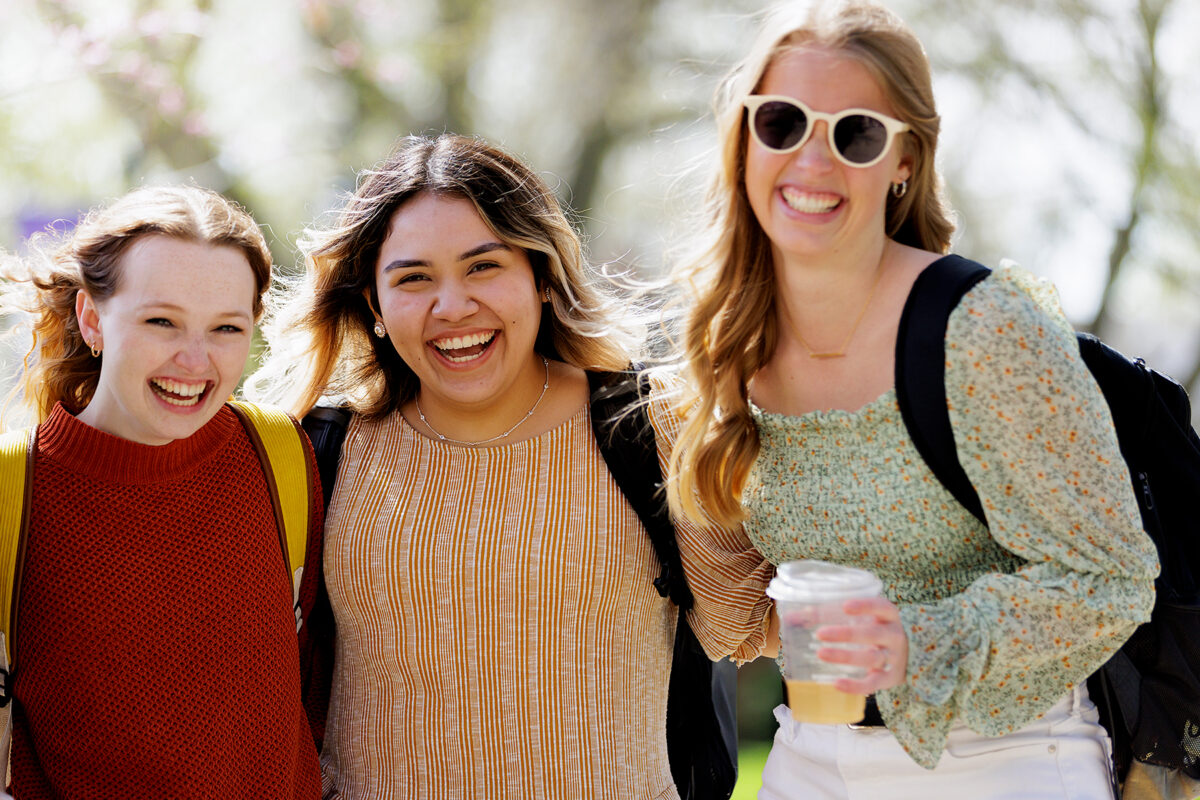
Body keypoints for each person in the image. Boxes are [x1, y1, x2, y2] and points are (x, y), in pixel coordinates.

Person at [663, 1, 1159, 798]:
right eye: (782, 122)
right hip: (807, 759)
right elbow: (736, 619)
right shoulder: (727, 347)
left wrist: (914, 644)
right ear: (744, 137)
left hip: (1006, 761)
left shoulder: (985, 330)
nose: (811, 161)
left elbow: (1112, 580)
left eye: (854, 133)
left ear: (905, 159)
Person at [247, 133, 774, 798]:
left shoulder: (652, 427)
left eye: (484, 266)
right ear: (375, 306)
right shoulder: (317, 451)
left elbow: (746, 618)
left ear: (542, 276)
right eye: (413, 278)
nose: (453, 306)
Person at [0, 185, 324, 798]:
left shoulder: (279, 455)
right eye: (160, 321)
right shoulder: (14, 497)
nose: (194, 360)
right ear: (91, 319)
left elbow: (309, 693)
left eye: (226, 328)